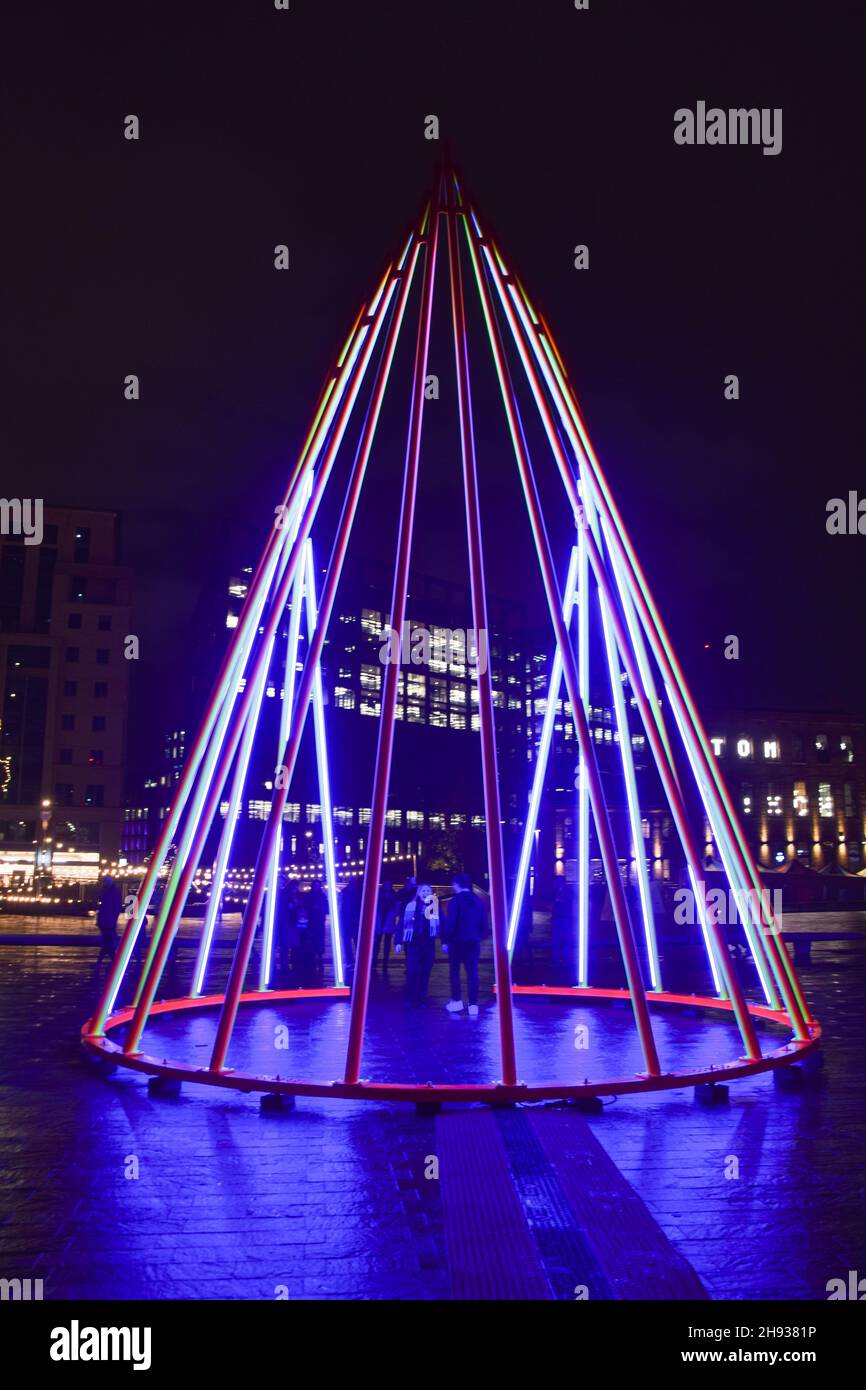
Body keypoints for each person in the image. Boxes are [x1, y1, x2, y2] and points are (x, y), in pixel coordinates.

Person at [442, 872, 486, 1015]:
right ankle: (473, 1005)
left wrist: (445, 940)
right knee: (472, 972)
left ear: (456, 884)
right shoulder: (478, 900)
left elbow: (451, 923)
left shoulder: (455, 901)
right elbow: (484, 923)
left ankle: (457, 1001)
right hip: (473, 941)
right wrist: (482, 936)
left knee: (455, 971)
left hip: (457, 941)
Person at [396, 882, 439, 1007]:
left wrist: (445, 941)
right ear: (419, 893)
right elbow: (401, 925)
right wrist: (398, 941)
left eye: (428, 891)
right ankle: (410, 999)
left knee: (425, 973)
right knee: (412, 973)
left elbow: (442, 924)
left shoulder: (434, 907)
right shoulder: (410, 906)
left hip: (428, 944)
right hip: (413, 944)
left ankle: (422, 999)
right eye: (423, 891)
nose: (426, 893)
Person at [96, 874, 122, 963]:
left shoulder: (107, 892)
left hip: (107, 921)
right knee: (108, 943)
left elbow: (104, 907)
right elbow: (116, 908)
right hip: (108, 921)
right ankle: (111, 962)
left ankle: (103, 962)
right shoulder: (113, 892)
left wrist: (100, 920)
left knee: (107, 943)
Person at [375, 882, 400, 968]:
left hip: (388, 921)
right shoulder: (381, 894)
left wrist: (393, 914)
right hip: (381, 920)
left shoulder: (391, 895)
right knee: (377, 942)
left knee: (386, 943)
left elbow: (397, 908)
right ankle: (375, 960)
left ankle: (384, 961)